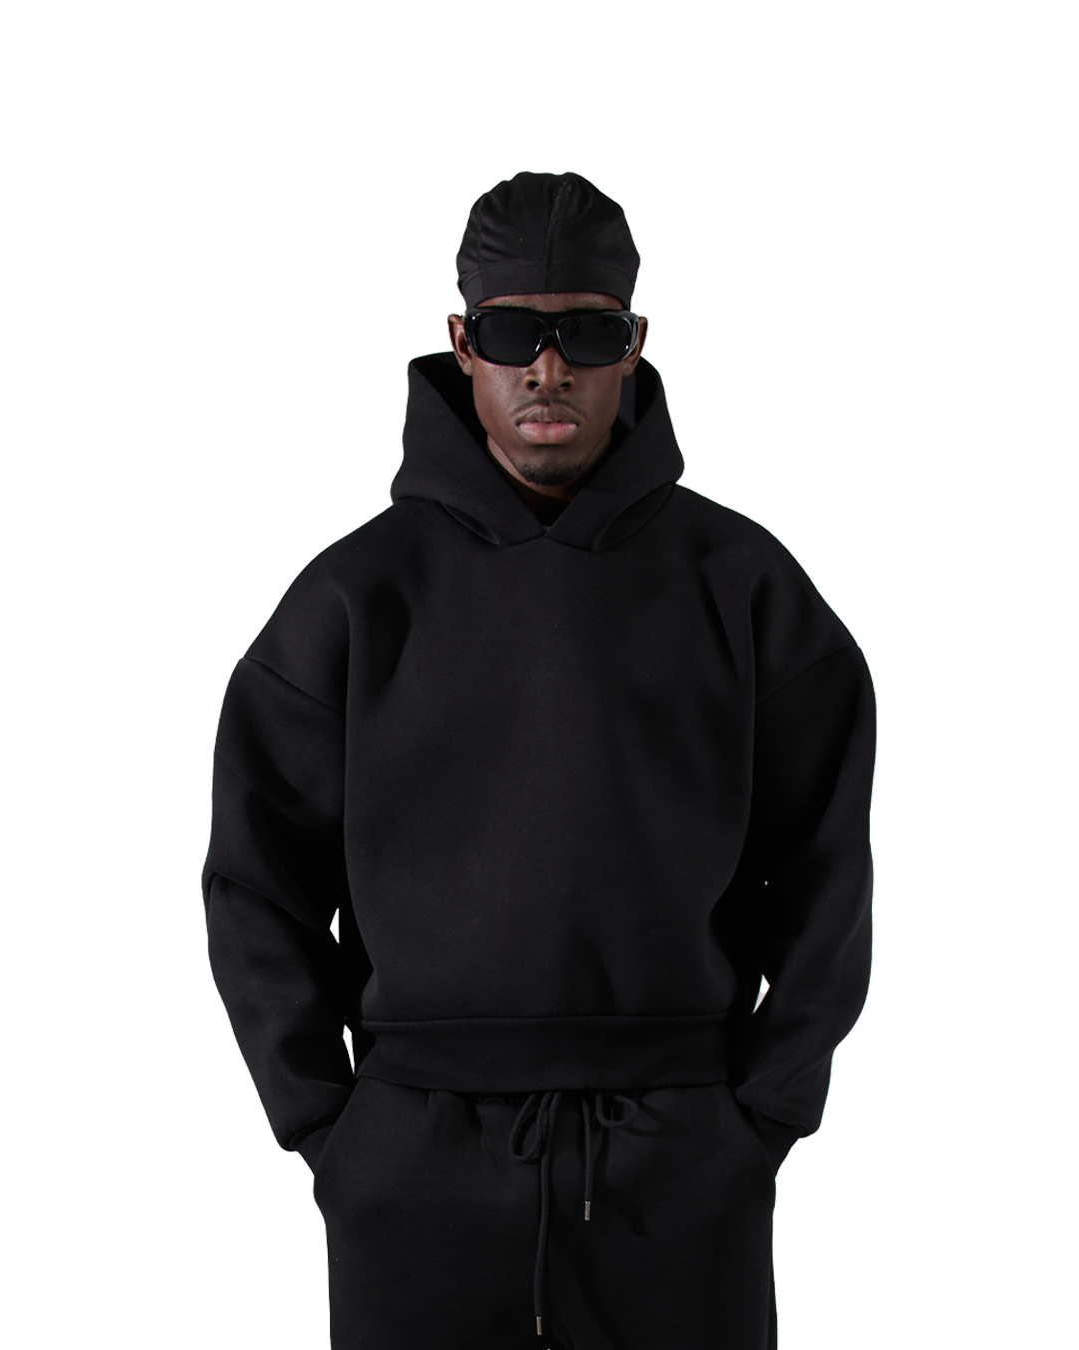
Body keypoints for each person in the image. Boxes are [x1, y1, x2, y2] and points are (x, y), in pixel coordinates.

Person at [201, 171, 876, 1350]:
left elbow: (825, 874)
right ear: (464, 342)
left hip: (681, 1158)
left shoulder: (744, 588)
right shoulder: (354, 599)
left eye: (587, 334)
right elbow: (257, 882)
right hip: (414, 1161)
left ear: (634, 345)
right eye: (514, 332)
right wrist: (332, 1129)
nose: (548, 369)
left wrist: (763, 1115)